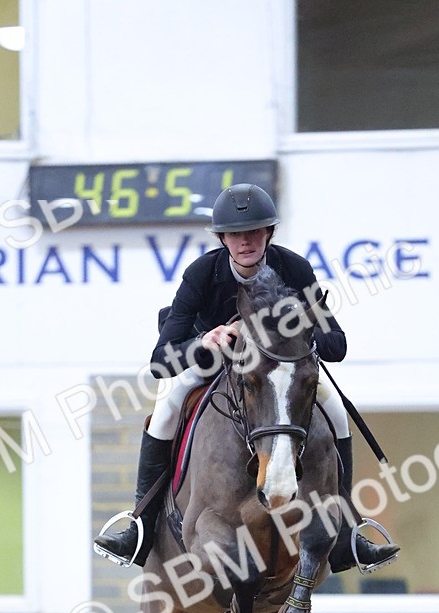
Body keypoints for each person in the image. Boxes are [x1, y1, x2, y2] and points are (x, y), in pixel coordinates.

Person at [95, 183, 399, 573]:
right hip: (212, 364)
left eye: (254, 232)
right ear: (223, 238)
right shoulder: (203, 273)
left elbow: (336, 344)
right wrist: (206, 340)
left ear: (268, 233)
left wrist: (304, 331)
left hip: (278, 370)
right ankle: (141, 525)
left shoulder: (294, 269)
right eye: (236, 234)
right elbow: (160, 360)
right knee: (168, 407)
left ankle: (344, 536)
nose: (245, 241)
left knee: (336, 410)